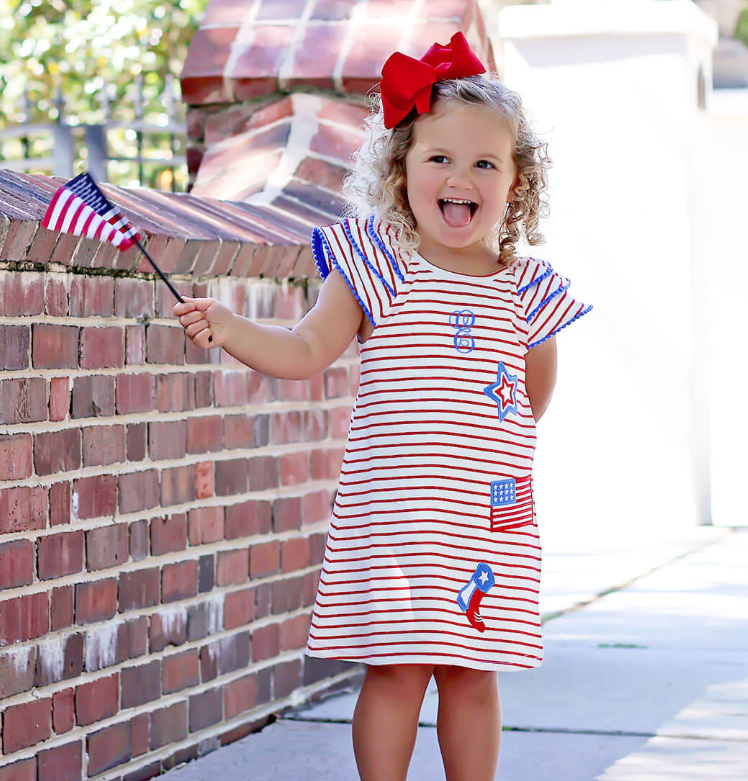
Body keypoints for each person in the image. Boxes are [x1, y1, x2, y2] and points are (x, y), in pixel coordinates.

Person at [174, 31, 591, 781]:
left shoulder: (529, 289)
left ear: (516, 182)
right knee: (397, 670)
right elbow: (305, 350)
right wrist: (232, 327)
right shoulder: (375, 263)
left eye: (484, 163)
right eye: (439, 158)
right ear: (401, 171)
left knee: (471, 671)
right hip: (395, 517)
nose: (460, 177)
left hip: (482, 517)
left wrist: (484, 454)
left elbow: (532, 397)